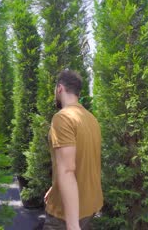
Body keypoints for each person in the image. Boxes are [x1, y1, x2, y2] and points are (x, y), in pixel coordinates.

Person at [43, 70, 103, 230]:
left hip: (66, 214)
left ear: (60, 88)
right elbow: (84, 159)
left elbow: (68, 170)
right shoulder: (92, 119)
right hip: (90, 206)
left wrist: (72, 224)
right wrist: (55, 186)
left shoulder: (62, 118)